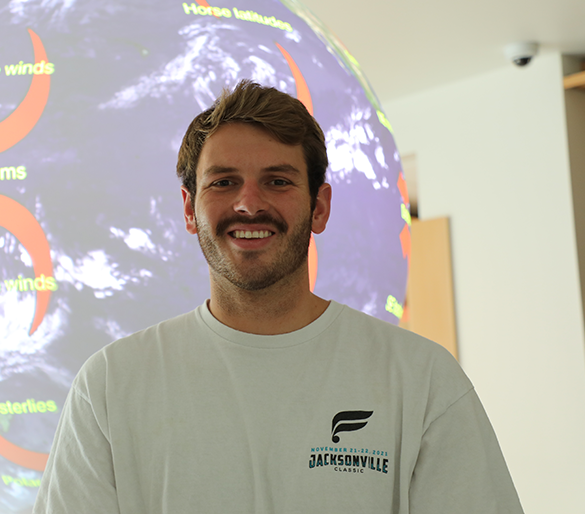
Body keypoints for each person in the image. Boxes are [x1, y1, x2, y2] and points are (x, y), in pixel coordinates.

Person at [34, 80, 523, 513]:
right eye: (224, 182)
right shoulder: (110, 386)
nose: (249, 203)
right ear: (189, 209)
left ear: (319, 207)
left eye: (278, 181)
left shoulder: (420, 379)